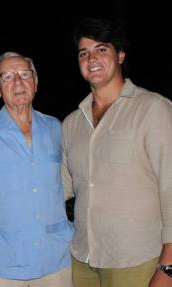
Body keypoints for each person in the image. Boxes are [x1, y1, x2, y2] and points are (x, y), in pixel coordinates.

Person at [62, 18, 172, 287]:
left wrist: (168, 267)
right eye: (83, 52)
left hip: (136, 261)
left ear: (120, 55)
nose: (92, 58)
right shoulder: (71, 124)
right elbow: (59, 189)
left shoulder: (153, 109)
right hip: (83, 259)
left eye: (101, 49)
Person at [0, 52, 73, 287]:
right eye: (7, 76)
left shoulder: (56, 128)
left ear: (36, 82)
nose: (18, 82)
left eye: (24, 74)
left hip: (55, 261)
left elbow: (69, 184)